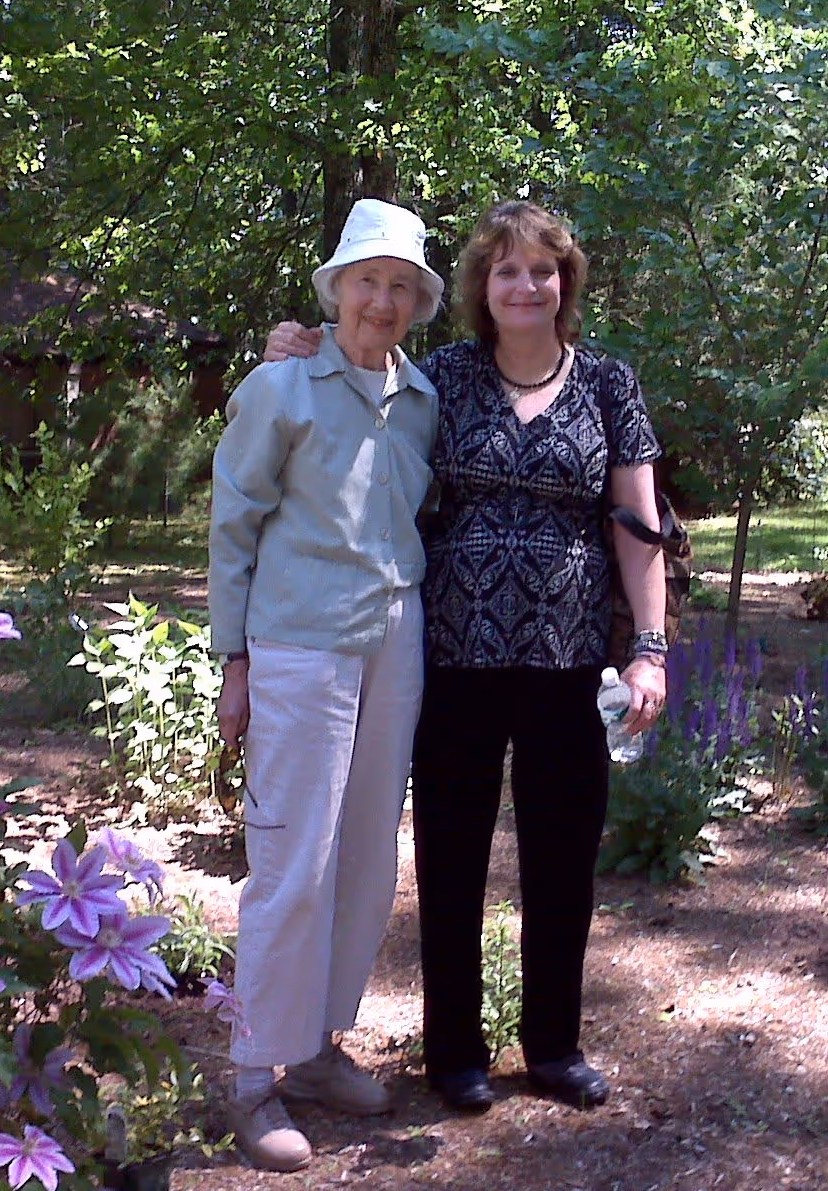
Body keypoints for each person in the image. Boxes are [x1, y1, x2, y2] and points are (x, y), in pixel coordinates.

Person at [266, 200, 669, 1114]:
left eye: (543, 270)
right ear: (483, 289)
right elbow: (354, 380)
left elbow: (641, 528)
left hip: (571, 666)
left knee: (563, 858)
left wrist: (648, 650)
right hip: (450, 657)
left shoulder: (609, 383)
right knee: (450, 858)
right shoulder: (440, 375)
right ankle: (455, 1051)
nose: (526, 285)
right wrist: (299, 348)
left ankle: (554, 1047)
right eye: (506, 271)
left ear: (564, 284)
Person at [209, 198, 445, 1172]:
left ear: (417, 301)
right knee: (291, 858)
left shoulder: (423, 397)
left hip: (395, 633)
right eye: (366, 281)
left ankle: (313, 1051)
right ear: (335, 288)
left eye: (399, 285)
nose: (380, 300)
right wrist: (235, 661)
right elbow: (235, 519)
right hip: (300, 640)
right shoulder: (283, 386)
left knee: (363, 858)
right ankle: (251, 1077)